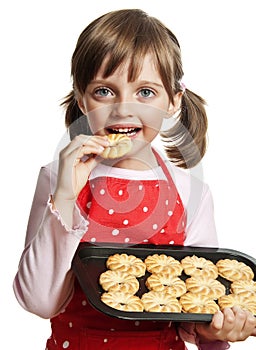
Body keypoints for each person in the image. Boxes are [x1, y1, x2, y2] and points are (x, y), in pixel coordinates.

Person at [13, 8, 256, 350]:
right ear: (82, 100)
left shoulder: (191, 191)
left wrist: (216, 330)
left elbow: (196, 307)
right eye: (104, 91)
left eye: (145, 92)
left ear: (173, 102)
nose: (123, 108)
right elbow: (38, 302)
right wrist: (65, 196)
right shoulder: (58, 177)